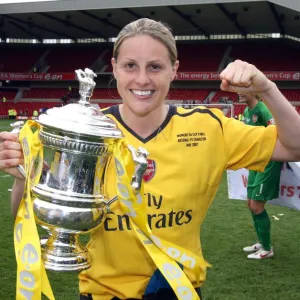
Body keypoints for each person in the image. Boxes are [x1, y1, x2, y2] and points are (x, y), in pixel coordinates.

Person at [1, 18, 300, 300]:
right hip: (103, 293)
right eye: (131, 65)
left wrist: (267, 89)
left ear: (175, 69)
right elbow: (31, 215)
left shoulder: (209, 127)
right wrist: (22, 178)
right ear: (115, 68)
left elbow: (294, 147)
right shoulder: (85, 133)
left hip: (178, 290)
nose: (142, 79)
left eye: (155, 66)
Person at [239, 93, 283, 259]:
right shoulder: (247, 110)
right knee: (250, 203)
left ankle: (267, 249)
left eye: (242, 88)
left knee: (257, 206)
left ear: (253, 90)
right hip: (255, 161)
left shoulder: (264, 109)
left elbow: (279, 132)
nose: (238, 92)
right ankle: (261, 241)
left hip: (268, 162)